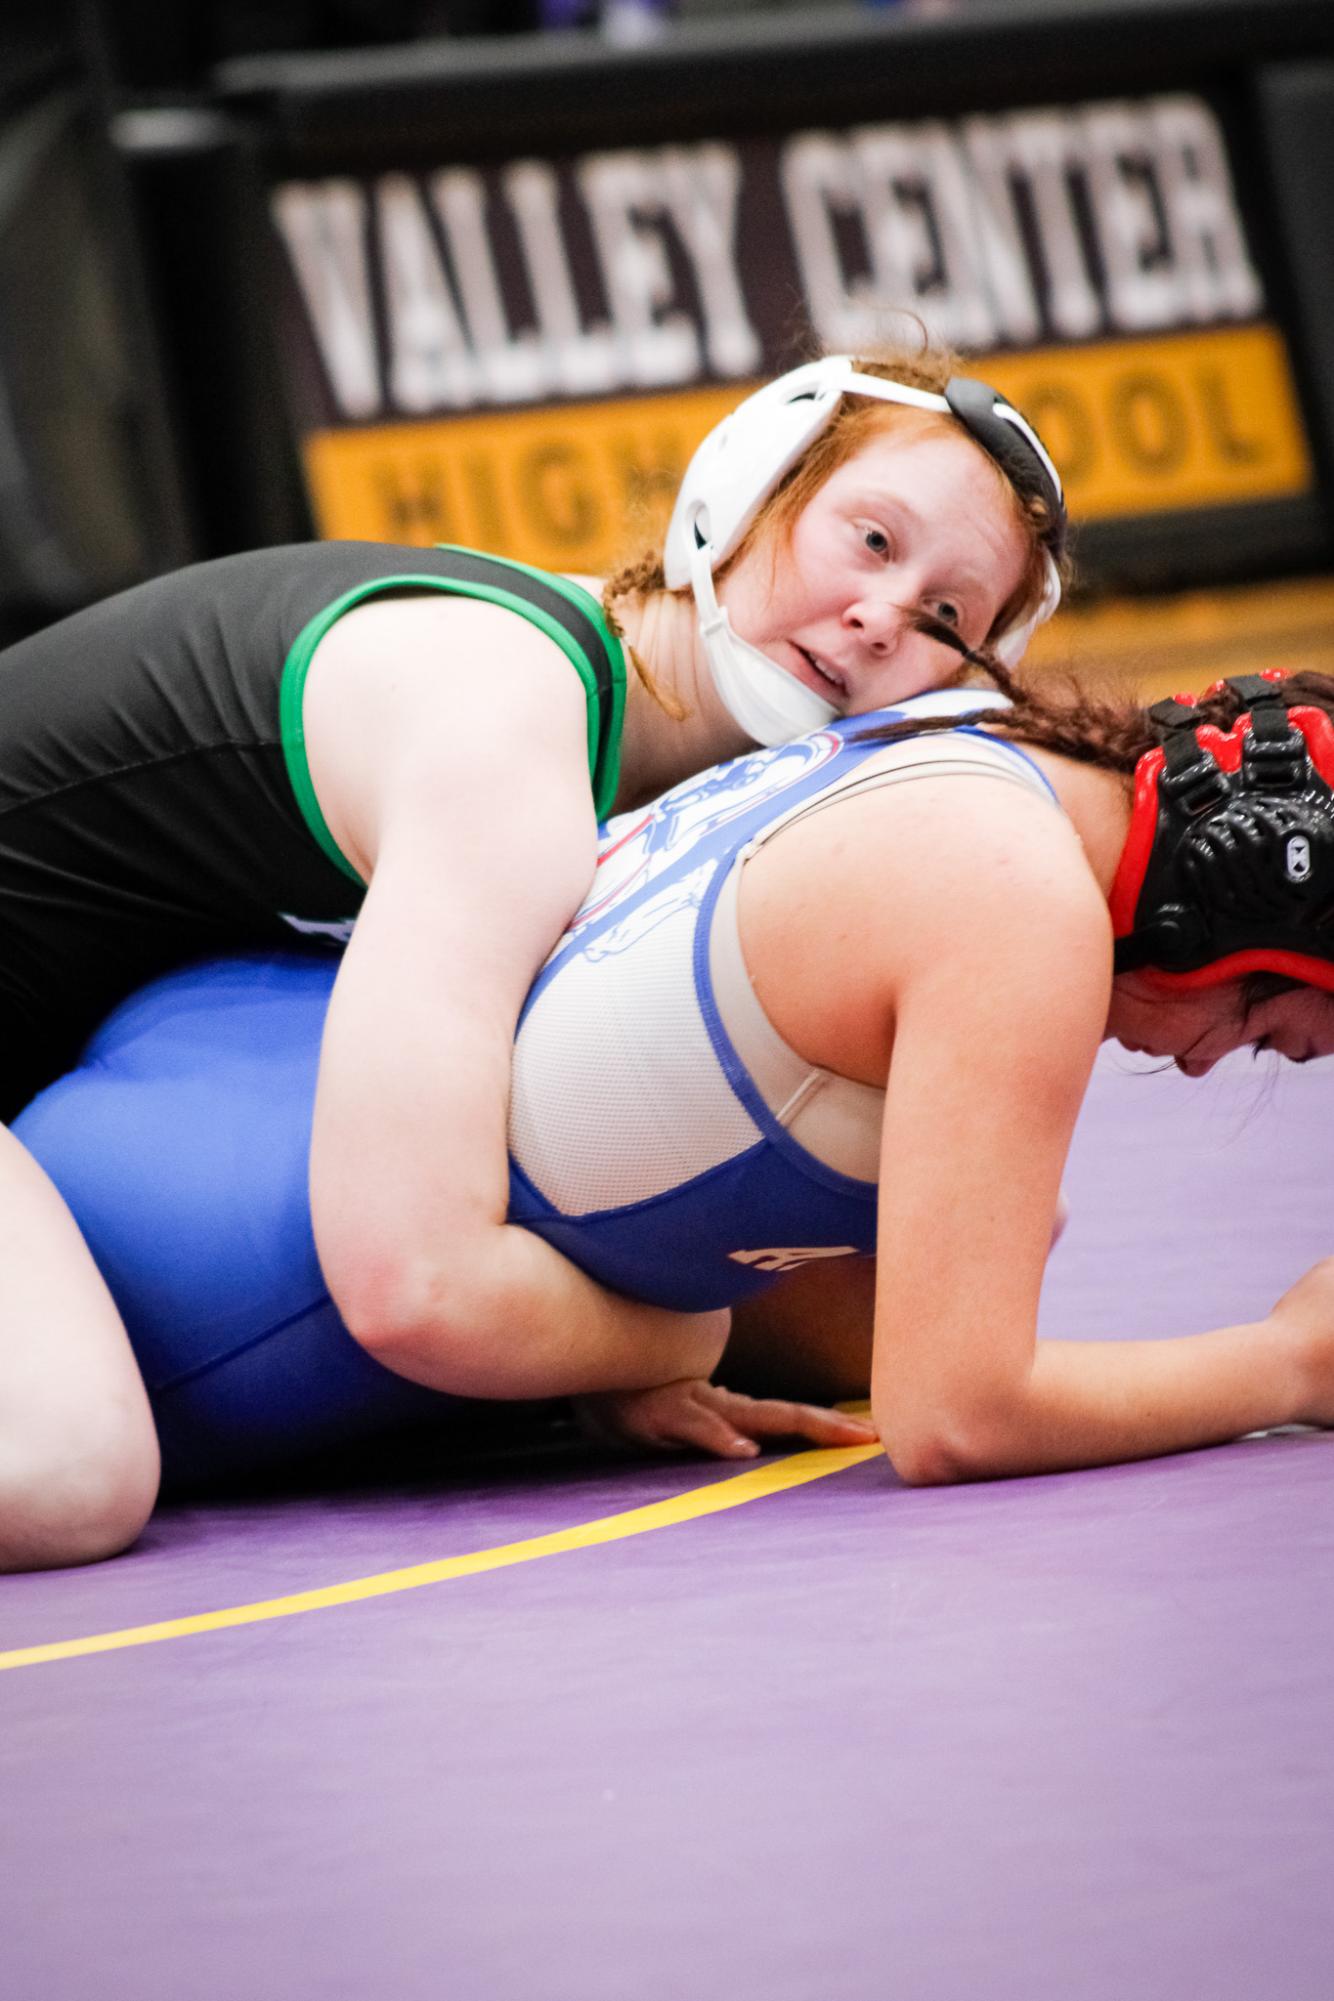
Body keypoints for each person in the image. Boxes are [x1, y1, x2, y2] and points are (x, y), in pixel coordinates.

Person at [0, 344, 1068, 1567]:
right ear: (749, 487)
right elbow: (414, 1282)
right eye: (870, 542)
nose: (884, 620)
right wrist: (669, 1336)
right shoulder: (508, 744)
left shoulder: (606, 730)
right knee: (69, 1466)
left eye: (948, 617)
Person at [11, 669, 1334, 1567]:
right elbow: (958, 1414)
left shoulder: (962, 738)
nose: (1222, 1068)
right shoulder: (1017, 904)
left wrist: (618, 1346)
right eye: (1269, 1028)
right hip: (141, 1287)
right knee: (74, 1482)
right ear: (1211, 917)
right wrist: (1290, 1362)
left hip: (203, 1081)